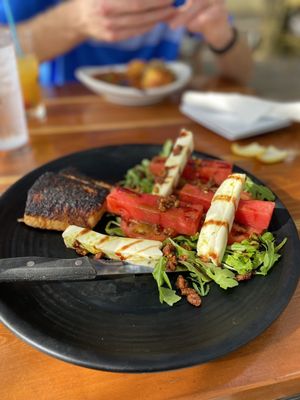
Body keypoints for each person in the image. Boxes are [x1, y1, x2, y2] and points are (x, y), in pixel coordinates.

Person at [0, 0, 253, 86]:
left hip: (160, 117)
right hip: (65, 114)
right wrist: (74, 20)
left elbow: (244, 74)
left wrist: (220, 32)